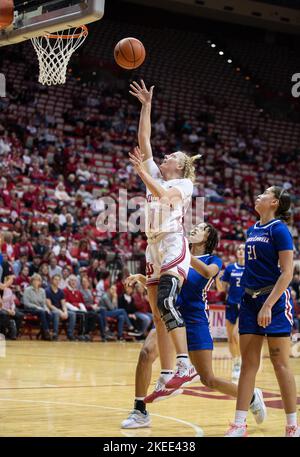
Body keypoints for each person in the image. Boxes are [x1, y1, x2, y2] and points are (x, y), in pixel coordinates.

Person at [121, 223, 266, 429]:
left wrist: (182, 256)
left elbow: (207, 272)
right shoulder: (176, 255)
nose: (194, 229)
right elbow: (166, 286)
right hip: (172, 316)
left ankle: (251, 396)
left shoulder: (212, 260)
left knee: (208, 378)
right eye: (194, 227)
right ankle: (139, 410)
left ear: (208, 238)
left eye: (200, 228)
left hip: (196, 320)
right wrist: (142, 279)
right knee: (146, 354)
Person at [129, 80, 201, 391]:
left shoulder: (184, 185)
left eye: (172, 155)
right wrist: (146, 105)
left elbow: (164, 195)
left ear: (182, 167)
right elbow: (144, 139)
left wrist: (142, 174)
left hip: (173, 241)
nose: (166, 156)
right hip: (153, 248)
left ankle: (185, 364)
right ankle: (168, 372)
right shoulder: (155, 174)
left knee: (168, 300)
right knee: (158, 311)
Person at [225, 186, 299, 437]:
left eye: (265, 193)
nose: (258, 195)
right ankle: (239, 424)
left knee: (280, 364)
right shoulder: (252, 228)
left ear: (274, 202)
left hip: (274, 302)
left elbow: (288, 272)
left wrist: (268, 304)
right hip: (249, 301)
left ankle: (292, 426)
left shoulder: (279, 229)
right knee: (248, 365)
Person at [216, 244, 245, 381]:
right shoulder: (230, 268)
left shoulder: (251, 268)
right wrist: (216, 278)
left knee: (235, 335)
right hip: (231, 304)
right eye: (239, 249)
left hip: (245, 305)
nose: (241, 251)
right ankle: (236, 363)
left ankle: (241, 362)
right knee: (230, 338)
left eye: (244, 249)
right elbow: (222, 289)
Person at [23, 274, 57, 340]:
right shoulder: (27, 290)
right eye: (34, 280)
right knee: (42, 312)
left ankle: (43, 333)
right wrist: (37, 307)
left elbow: (43, 303)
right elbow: (26, 303)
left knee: (49, 314)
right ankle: (46, 333)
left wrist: (46, 309)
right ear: (32, 281)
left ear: (40, 282)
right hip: (30, 309)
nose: (36, 282)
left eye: (38, 280)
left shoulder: (42, 291)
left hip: (41, 309)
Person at [45, 274, 76, 341]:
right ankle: (55, 334)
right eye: (55, 279)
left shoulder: (61, 291)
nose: (57, 281)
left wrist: (65, 312)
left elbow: (63, 304)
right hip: (51, 310)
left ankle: (70, 334)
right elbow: (49, 305)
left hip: (60, 310)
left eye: (59, 280)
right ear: (52, 280)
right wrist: (60, 312)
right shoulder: (47, 290)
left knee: (72, 314)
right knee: (56, 313)